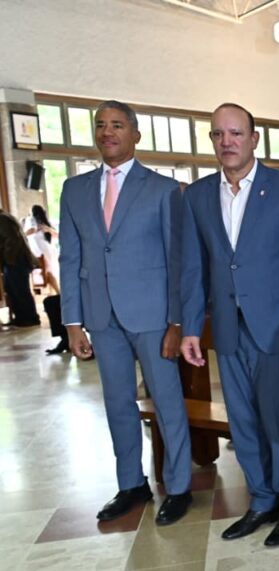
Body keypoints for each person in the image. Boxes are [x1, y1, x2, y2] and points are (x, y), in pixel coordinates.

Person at [180, 102, 279, 547]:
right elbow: (192, 267)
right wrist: (189, 328)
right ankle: (261, 500)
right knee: (241, 422)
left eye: (236, 133)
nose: (227, 142)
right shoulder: (198, 195)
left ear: (254, 138)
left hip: (278, 327)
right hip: (227, 326)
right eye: (219, 135)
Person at [58, 100, 194, 525]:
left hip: (152, 316)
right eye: (100, 125)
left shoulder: (164, 189)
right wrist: (72, 322)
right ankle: (130, 484)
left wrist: (177, 322)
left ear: (136, 134)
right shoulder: (74, 190)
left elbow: (178, 260)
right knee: (118, 403)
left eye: (117, 125)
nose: (107, 132)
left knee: (167, 402)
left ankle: (179, 486)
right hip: (102, 316)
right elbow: (69, 256)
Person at [25, 205, 68, 354]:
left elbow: (56, 235)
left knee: (50, 274)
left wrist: (46, 231)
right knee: (49, 278)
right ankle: (58, 294)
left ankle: (59, 293)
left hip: (47, 250)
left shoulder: (44, 227)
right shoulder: (37, 227)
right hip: (45, 251)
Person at [0, 209, 40, 327]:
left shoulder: (3, 219)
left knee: (20, 290)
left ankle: (29, 318)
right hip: (14, 258)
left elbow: (9, 241)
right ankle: (22, 317)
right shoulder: (5, 217)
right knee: (13, 290)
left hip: (15, 258)